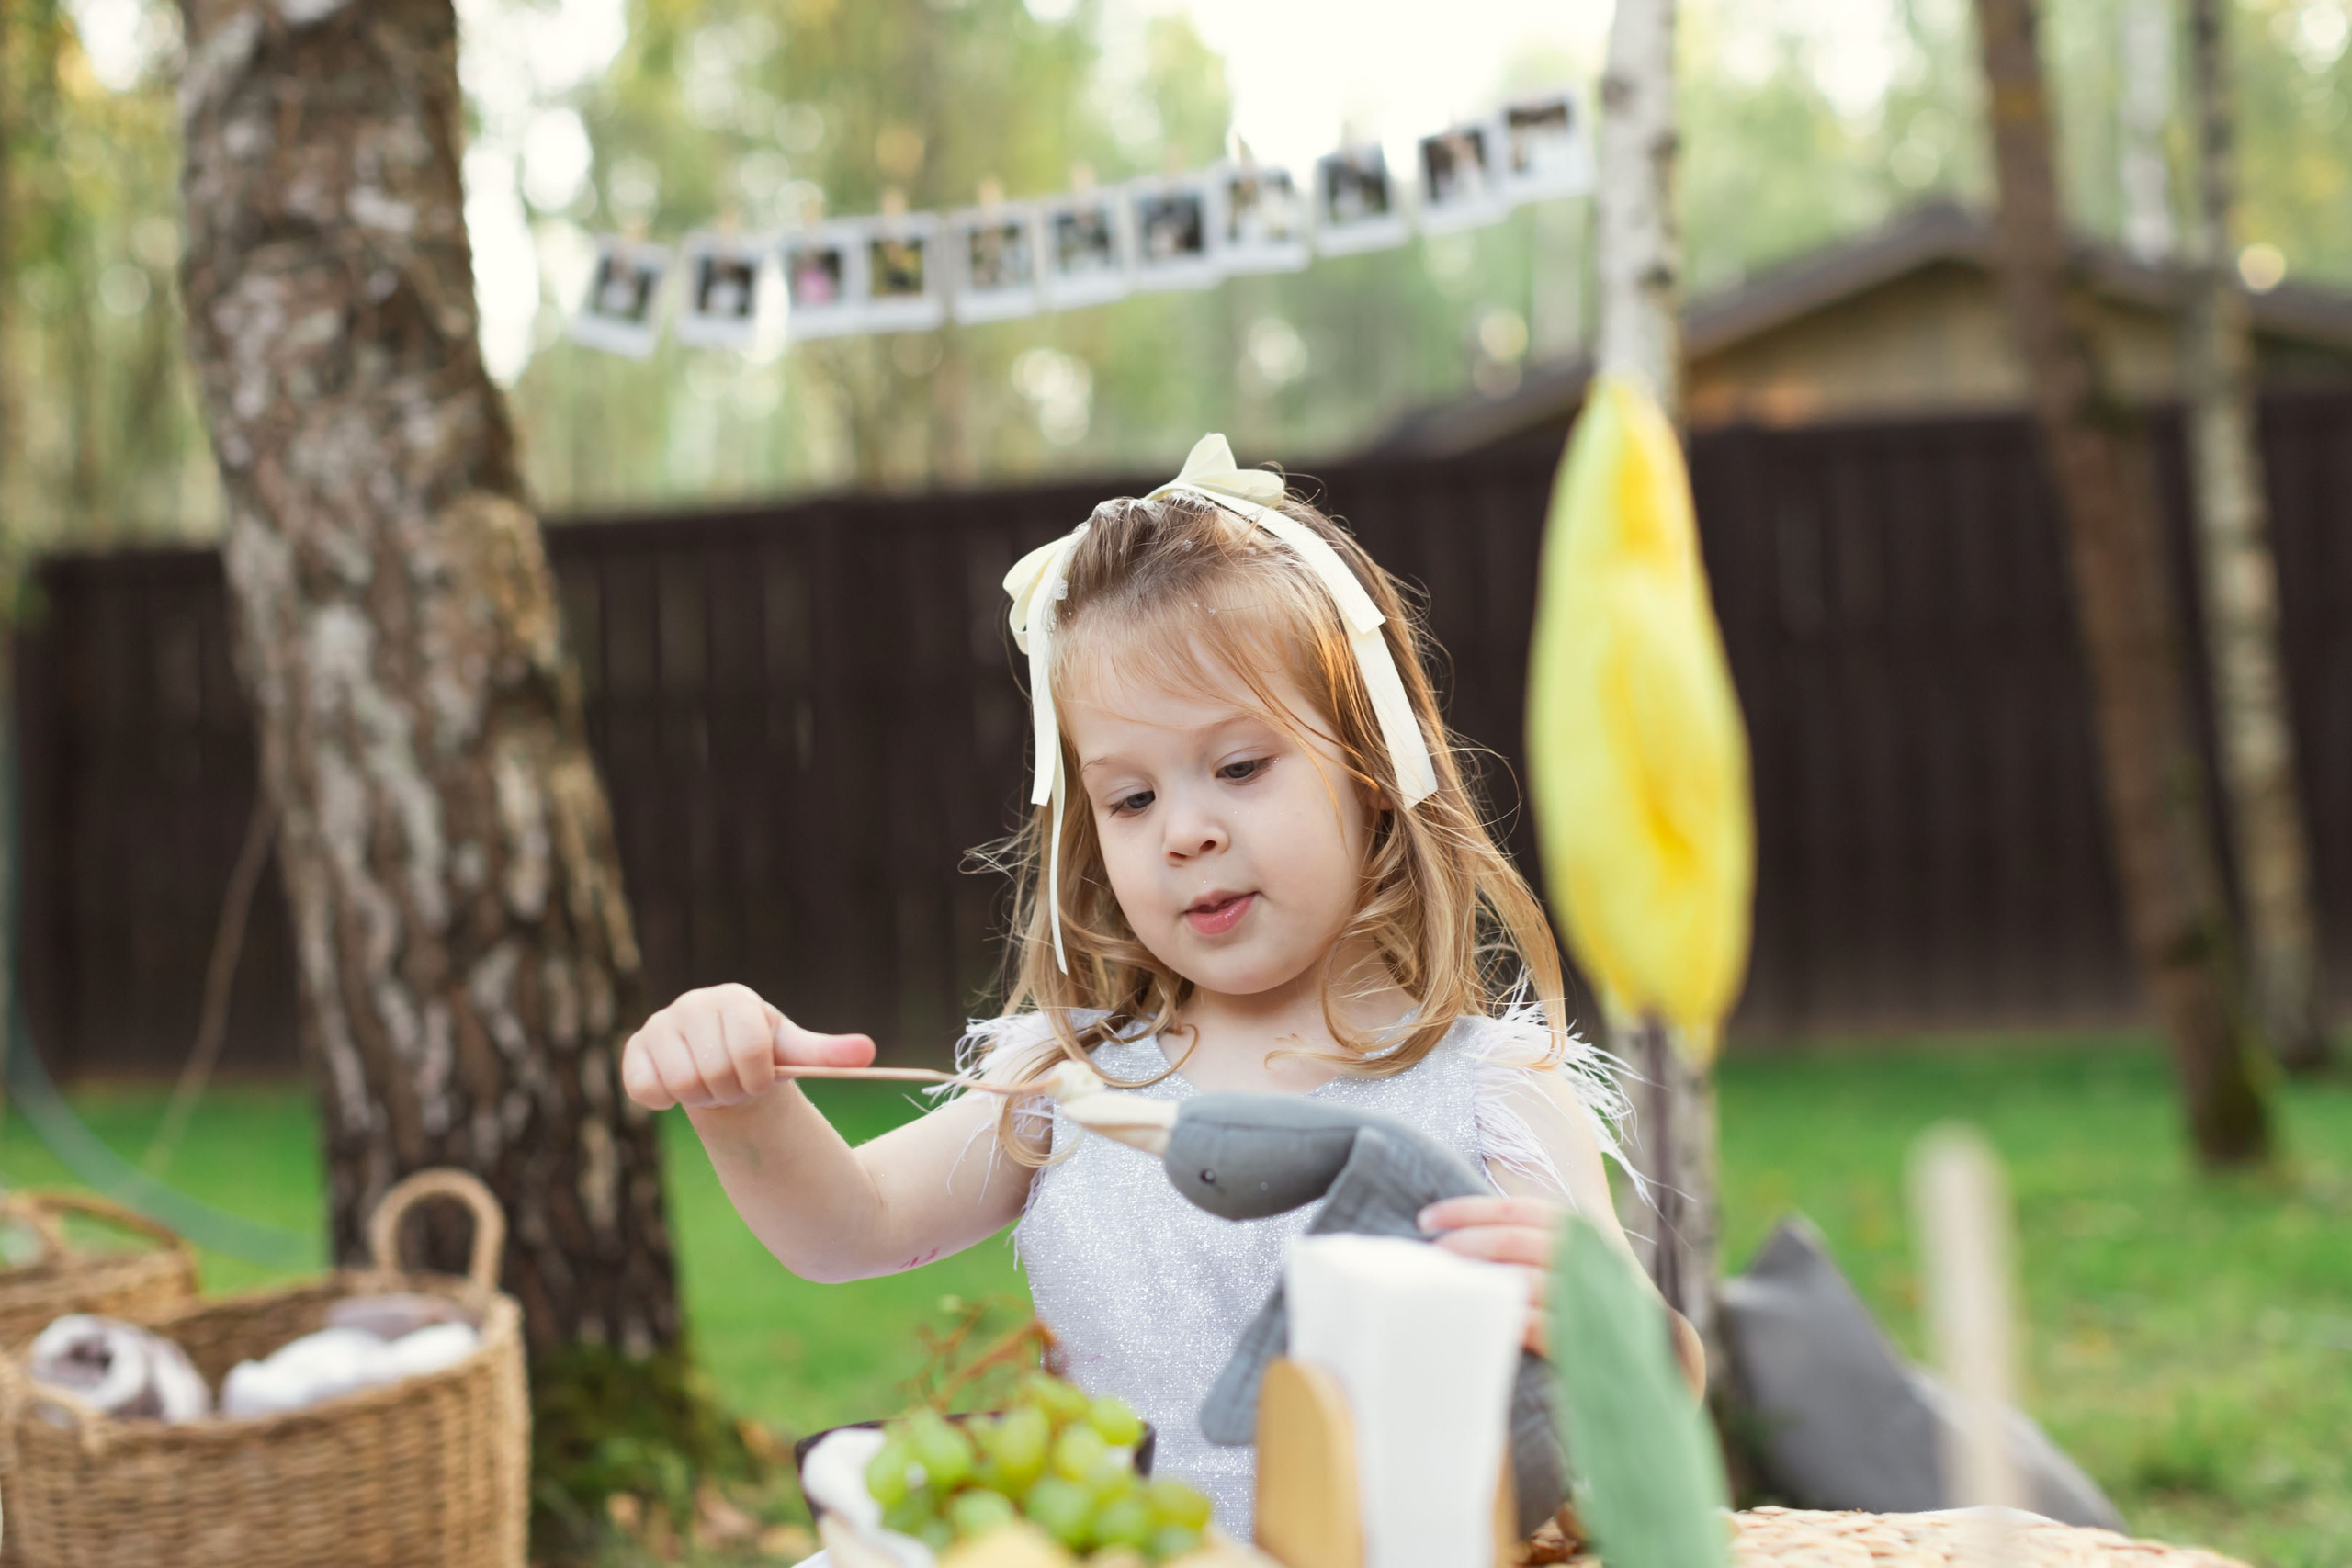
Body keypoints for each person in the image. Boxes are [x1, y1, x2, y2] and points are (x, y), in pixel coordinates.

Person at [620, 435, 1701, 1539]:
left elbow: (1643, 1397)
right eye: (1130, 799)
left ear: (1373, 773)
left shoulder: (1483, 1097)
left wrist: (1618, 1334)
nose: (1186, 831)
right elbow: (850, 1228)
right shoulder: (1066, 1078)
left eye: (1239, 767)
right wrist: (739, 1095)